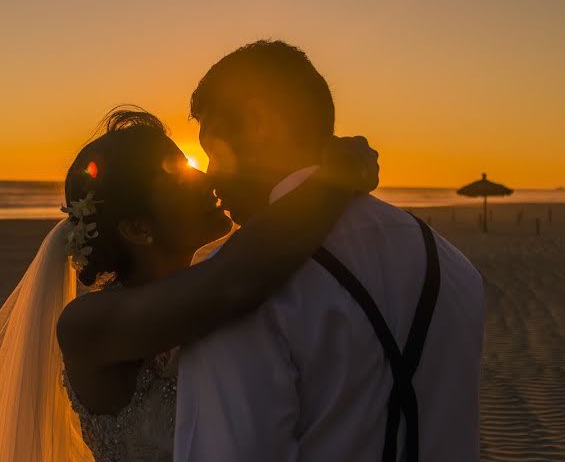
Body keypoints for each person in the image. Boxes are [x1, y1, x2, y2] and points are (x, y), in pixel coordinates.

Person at [0, 107, 379, 462]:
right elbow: (234, 283)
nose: (202, 176)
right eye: (176, 172)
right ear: (138, 229)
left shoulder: (212, 283)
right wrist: (331, 179)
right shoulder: (88, 325)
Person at [175, 40, 486, 462]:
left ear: (257, 121)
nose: (210, 175)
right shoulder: (453, 264)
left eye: (214, 150)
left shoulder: (234, 290)